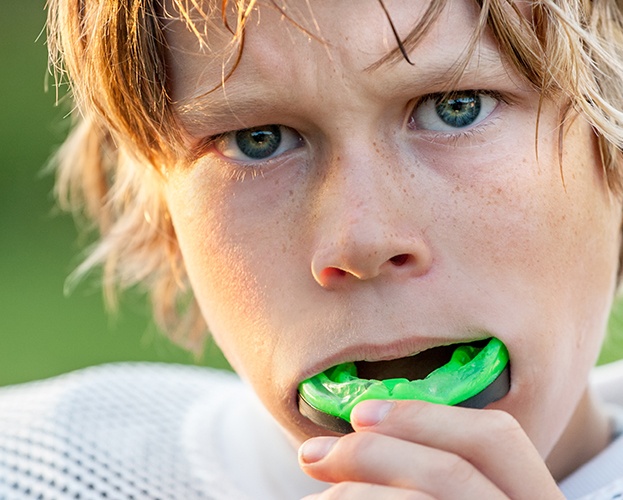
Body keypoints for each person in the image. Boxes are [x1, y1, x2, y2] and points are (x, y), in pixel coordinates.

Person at [2, 0, 623, 498]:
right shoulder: (39, 468)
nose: (362, 240)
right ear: (164, 216)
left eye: (454, 109)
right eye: (258, 139)